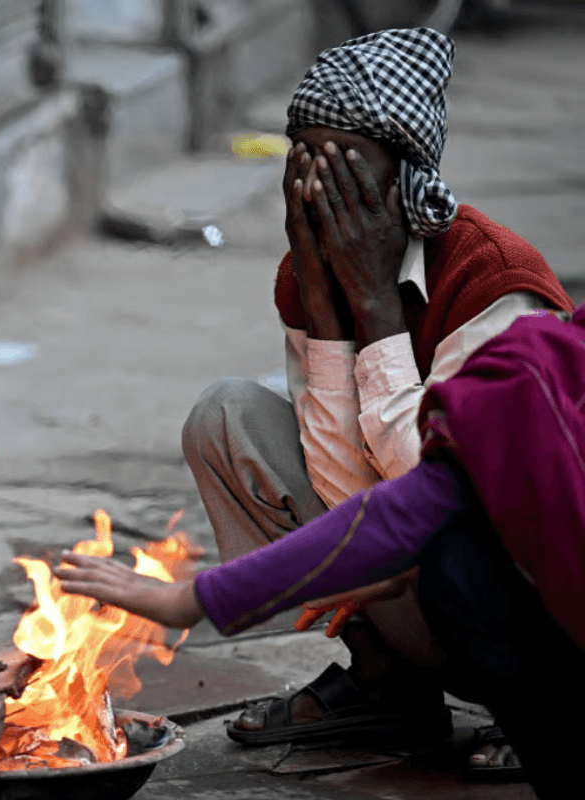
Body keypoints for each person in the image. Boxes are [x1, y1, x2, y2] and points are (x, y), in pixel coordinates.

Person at [179, 27, 572, 779]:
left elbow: (437, 493)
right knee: (226, 417)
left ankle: (537, 704)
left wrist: (377, 310)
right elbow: (346, 495)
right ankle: (387, 679)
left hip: (515, 583)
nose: (318, 193)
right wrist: (331, 317)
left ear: (404, 180)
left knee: (456, 532)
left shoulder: (492, 282)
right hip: (412, 581)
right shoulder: (310, 275)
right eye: (303, 162)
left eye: (344, 171)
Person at [57, 303, 585, 800]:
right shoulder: (311, 286)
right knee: (230, 413)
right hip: (429, 583)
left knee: (455, 566)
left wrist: (190, 600)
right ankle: (385, 684)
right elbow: (351, 477)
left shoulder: (524, 353)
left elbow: (407, 508)